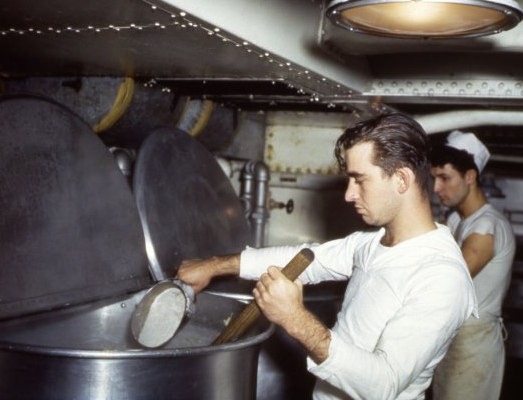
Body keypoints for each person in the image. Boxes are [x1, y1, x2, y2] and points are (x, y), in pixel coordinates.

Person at [178, 113, 477, 400]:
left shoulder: (441, 276)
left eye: (360, 180)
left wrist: (294, 319)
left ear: (401, 179)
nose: (349, 194)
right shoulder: (375, 244)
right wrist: (214, 266)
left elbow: (382, 386)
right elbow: (309, 258)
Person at [430, 131, 516, 400]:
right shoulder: (457, 220)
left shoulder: (486, 226)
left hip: (473, 343)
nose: (436, 188)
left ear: (470, 176)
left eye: (444, 178)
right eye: (434, 178)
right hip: (451, 338)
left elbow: (449, 281)